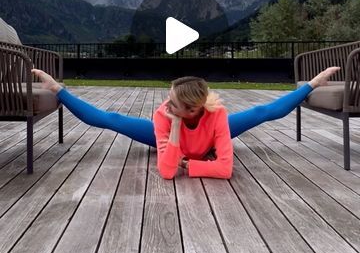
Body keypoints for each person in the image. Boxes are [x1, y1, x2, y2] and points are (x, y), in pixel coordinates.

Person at [31, 66, 340, 180]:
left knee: (262, 112)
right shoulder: (164, 116)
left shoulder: (216, 116)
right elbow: (167, 171)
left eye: (173, 103)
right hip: (169, 137)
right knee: (112, 120)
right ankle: (58, 89)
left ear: (192, 108)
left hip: (206, 138)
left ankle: (311, 83)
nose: (166, 105)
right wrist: (174, 126)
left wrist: (190, 166)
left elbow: (225, 169)